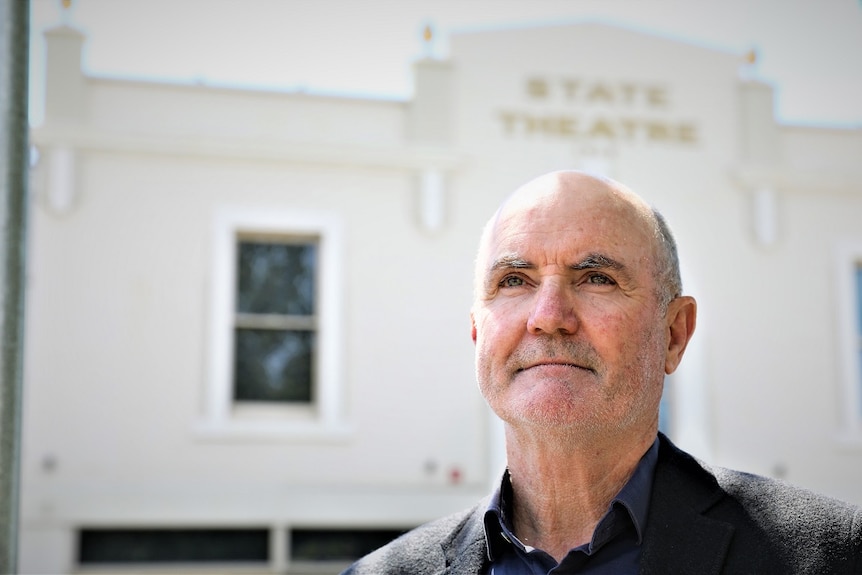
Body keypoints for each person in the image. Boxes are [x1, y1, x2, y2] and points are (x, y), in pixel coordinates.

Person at [342, 170, 862, 574]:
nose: (548, 318)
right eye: (515, 280)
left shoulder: (834, 557)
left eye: (596, 278)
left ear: (675, 333)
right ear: (478, 334)